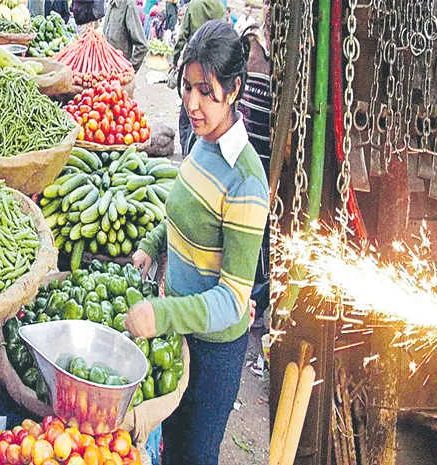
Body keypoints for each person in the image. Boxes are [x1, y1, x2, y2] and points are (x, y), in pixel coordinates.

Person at [124, 20, 269, 465]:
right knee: (172, 450)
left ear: (235, 89)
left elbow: (231, 300)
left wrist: (162, 314)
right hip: (181, 334)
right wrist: (152, 243)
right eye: (187, 88)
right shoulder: (203, 142)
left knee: (194, 456)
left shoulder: (246, 180)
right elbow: (185, 210)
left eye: (206, 91)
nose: (192, 103)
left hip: (213, 354)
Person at [237, 23, 271, 327]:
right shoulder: (254, 38)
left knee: (261, 237)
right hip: (254, 154)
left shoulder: (256, 40)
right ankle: (254, 300)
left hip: (262, 156)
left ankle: (256, 302)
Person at [171, 0, 224, 153]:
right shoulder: (219, 6)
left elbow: (183, 35)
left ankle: (187, 153)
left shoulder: (194, 5)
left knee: (187, 116)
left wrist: (176, 59)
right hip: (213, 67)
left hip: (193, 63)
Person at [102, 0, 148, 71]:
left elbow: (142, 46)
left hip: (119, 71)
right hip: (106, 69)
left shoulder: (128, 5)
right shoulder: (110, 3)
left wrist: (129, 69)